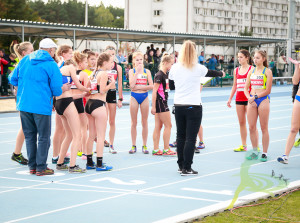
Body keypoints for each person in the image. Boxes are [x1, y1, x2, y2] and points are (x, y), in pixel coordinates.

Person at [9, 38, 69, 176]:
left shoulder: (25, 59)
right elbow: (56, 90)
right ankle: (41, 167)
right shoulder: (51, 64)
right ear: (51, 50)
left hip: (24, 104)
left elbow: (12, 78)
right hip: (41, 105)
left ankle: (32, 166)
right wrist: (61, 89)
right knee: (43, 137)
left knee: (30, 137)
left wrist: (24, 86)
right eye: (54, 50)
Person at [169, 40, 224, 176]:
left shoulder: (175, 68)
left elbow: (171, 87)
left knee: (180, 136)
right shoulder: (198, 68)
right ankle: (187, 168)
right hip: (193, 105)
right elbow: (212, 73)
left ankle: (181, 165)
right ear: (194, 53)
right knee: (190, 138)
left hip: (179, 105)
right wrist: (221, 73)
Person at [55, 54, 91, 173]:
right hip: (66, 103)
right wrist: (88, 90)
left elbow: (68, 93)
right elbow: (79, 85)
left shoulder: (59, 71)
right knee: (77, 135)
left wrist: (81, 95)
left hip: (59, 102)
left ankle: (60, 162)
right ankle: (73, 165)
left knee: (69, 135)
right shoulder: (70, 67)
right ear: (73, 65)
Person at [85, 52, 115, 171]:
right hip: (98, 104)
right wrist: (111, 84)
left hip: (89, 104)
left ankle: (89, 162)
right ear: (105, 62)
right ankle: (99, 163)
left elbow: (88, 89)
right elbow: (102, 91)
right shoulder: (103, 73)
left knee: (91, 135)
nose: (112, 64)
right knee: (101, 136)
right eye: (111, 62)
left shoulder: (94, 72)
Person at [244, 50, 273, 162]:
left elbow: (268, 90)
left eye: (258, 58)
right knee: (251, 127)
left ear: (263, 59)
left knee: (263, 127)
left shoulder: (267, 72)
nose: (255, 60)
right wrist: (249, 98)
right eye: (254, 58)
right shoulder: (251, 70)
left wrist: (255, 97)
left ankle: (264, 153)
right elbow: (245, 88)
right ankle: (255, 151)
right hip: (251, 100)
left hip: (262, 100)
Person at [9, 42, 34, 165]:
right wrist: (18, 89)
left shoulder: (27, 63)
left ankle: (17, 153)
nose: (33, 52)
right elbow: (12, 79)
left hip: (26, 98)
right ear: (24, 53)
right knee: (25, 127)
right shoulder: (22, 64)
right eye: (31, 50)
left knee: (26, 127)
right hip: (24, 99)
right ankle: (17, 153)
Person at [227, 50, 256, 152]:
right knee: (241, 123)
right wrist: (230, 98)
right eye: (238, 57)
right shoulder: (236, 70)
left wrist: (253, 97)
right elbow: (234, 85)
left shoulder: (252, 69)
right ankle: (244, 145)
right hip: (239, 99)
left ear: (247, 58)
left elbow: (255, 85)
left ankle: (255, 146)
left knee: (252, 124)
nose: (239, 59)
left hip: (249, 99)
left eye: (241, 57)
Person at [151, 53, 176, 156]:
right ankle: (166, 149)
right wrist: (153, 106)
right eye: (171, 64)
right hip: (161, 103)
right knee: (168, 125)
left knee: (158, 126)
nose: (172, 66)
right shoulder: (159, 75)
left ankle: (156, 149)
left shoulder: (166, 74)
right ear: (165, 63)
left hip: (162, 102)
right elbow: (154, 91)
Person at [52, 45, 73, 164]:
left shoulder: (65, 64)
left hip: (66, 98)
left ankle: (61, 153)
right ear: (63, 53)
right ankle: (55, 155)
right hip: (60, 98)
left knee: (65, 130)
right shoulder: (60, 64)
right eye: (69, 53)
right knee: (60, 129)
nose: (71, 55)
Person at [129, 51, 153, 154]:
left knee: (144, 122)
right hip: (134, 97)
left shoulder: (147, 71)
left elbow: (151, 86)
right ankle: (133, 145)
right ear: (134, 61)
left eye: (141, 59)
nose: (139, 62)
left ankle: (144, 145)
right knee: (134, 122)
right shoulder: (132, 71)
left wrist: (140, 87)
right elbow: (131, 85)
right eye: (137, 60)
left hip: (144, 97)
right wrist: (137, 73)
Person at [278, 58, 300, 164]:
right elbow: (295, 81)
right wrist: (297, 66)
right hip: (299, 99)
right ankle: (285, 156)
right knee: (293, 129)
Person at [71, 52, 89, 160]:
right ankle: (84, 152)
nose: (87, 64)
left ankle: (77, 150)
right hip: (80, 102)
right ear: (80, 63)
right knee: (83, 129)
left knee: (74, 130)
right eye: (85, 62)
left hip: (70, 101)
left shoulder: (70, 73)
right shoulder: (83, 74)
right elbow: (87, 89)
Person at [105, 46, 123, 154]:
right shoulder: (102, 66)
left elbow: (120, 84)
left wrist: (120, 98)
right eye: (109, 54)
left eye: (113, 54)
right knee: (103, 120)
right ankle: (101, 141)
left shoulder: (118, 67)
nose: (111, 56)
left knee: (111, 121)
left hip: (112, 94)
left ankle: (111, 144)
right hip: (102, 94)